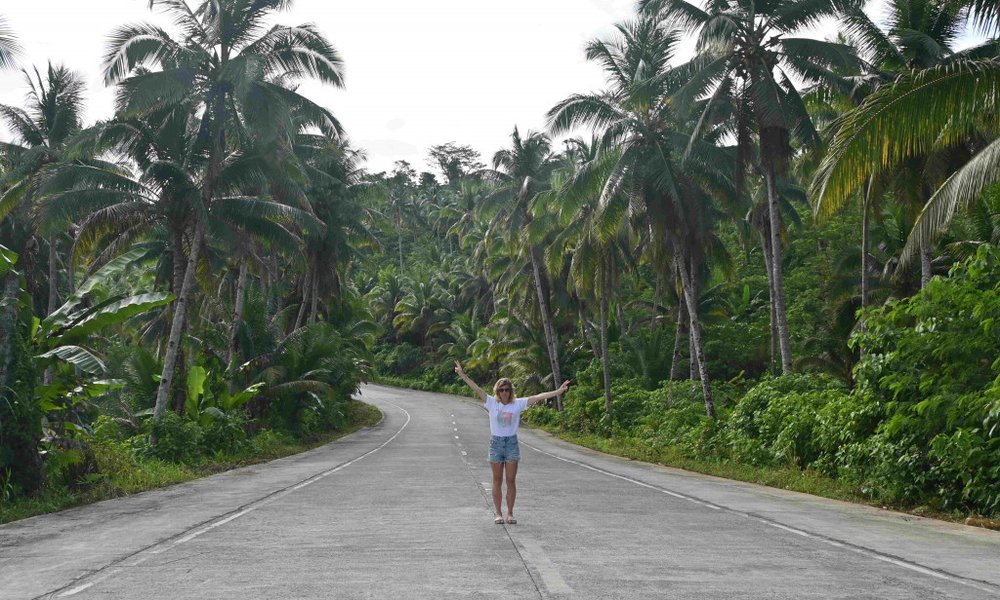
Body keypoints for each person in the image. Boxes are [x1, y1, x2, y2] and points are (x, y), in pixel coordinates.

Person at [454, 360, 570, 525]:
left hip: (511, 444)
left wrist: (558, 392)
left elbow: (538, 397)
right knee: (497, 480)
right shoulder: (491, 403)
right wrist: (462, 374)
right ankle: (498, 513)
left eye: (507, 390)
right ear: (497, 391)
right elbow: (476, 388)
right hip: (496, 443)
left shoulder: (517, 404)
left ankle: (510, 513)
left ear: (511, 391)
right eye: (501, 390)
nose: (504, 392)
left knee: (510, 480)